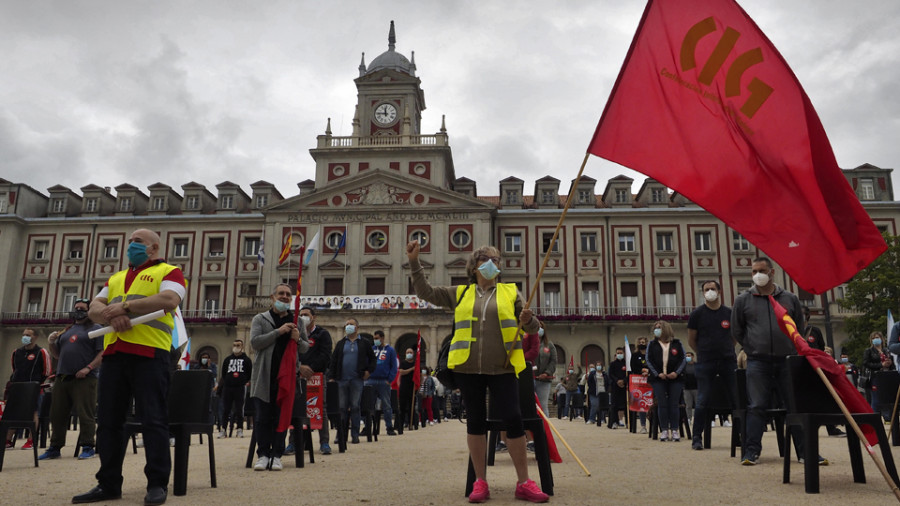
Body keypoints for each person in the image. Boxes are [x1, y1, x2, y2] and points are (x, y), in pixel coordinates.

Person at [407, 240, 549, 503]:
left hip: (504, 366)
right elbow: (425, 291)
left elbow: (532, 328)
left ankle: (524, 482)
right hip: (468, 367)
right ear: (474, 267)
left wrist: (530, 321)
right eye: (486, 258)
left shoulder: (511, 292)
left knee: (514, 419)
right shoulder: (459, 293)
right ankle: (480, 482)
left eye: (496, 259)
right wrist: (415, 262)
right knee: (475, 421)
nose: (492, 262)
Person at [73, 228, 186, 505]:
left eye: (138, 242)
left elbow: (170, 300)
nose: (131, 246)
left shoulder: (170, 271)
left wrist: (123, 308)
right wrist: (112, 314)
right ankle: (108, 483)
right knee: (109, 422)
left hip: (151, 353)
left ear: (154, 248)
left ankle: (157, 484)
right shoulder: (115, 278)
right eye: (130, 242)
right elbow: (94, 309)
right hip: (114, 354)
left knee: (154, 420)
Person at [732, 257, 821, 466]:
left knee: (794, 406)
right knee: (756, 405)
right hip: (757, 361)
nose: (757, 275)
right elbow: (737, 329)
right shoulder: (743, 300)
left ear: (772, 272)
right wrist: (751, 347)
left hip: (787, 361)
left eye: (761, 270)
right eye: (753, 271)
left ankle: (804, 452)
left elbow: (798, 326)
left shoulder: (789, 298)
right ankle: (751, 451)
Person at [248, 284, 309, 471]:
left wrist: (298, 339)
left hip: (287, 377)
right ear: (272, 297)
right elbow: (255, 343)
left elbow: (305, 347)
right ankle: (263, 454)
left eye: (288, 295)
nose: (284, 297)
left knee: (282, 416)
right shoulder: (260, 318)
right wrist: (278, 332)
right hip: (264, 375)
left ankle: (277, 455)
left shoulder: (297, 321)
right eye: (280, 294)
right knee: (262, 417)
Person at [40, 299, 103, 460]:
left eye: (82, 308)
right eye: (76, 308)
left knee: (85, 413)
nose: (78, 311)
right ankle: (55, 447)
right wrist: (51, 343)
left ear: (89, 311)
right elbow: (57, 355)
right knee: (57, 414)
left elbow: (102, 353)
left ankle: (88, 445)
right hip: (62, 377)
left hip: (85, 378)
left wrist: (88, 368)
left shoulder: (96, 329)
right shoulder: (66, 331)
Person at [687, 280, 737, 451]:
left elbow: (734, 336)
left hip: (728, 361)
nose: (709, 292)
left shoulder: (729, 313)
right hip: (705, 362)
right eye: (706, 289)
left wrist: (726, 349)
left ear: (719, 291)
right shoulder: (697, 314)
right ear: (703, 293)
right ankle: (696, 438)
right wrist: (703, 352)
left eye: (712, 289)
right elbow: (692, 340)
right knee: (702, 400)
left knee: (735, 399)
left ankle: (739, 435)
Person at [291, 305, 333, 455]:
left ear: (314, 317)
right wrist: (300, 367)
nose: (303, 317)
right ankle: (293, 443)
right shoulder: (295, 334)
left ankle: (324, 443)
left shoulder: (323, 334)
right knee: (295, 408)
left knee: (321, 408)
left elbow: (326, 355)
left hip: (317, 376)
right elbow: (292, 353)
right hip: (298, 375)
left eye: (306, 314)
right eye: (301, 314)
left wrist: (311, 369)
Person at [327, 317, 376, 444]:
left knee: (355, 407)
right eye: (347, 324)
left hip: (357, 380)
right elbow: (334, 360)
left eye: (351, 324)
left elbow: (373, 359)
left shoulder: (364, 343)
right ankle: (341, 435)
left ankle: (355, 435)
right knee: (342, 408)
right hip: (341, 380)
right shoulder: (341, 343)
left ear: (357, 327)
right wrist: (331, 377)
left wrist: (368, 371)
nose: (348, 326)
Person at [5, 328, 52, 450]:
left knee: (33, 413)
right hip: (18, 387)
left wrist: (37, 383)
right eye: (24, 334)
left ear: (35, 337)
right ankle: (8, 440)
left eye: (28, 335)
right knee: (13, 414)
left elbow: (47, 371)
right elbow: (14, 369)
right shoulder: (16, 352)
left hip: (34, 388)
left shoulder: (41, 352)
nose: (25, 337)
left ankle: (31, 440)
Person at [646, 321, 686, 442]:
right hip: (658, 379)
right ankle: (664, 430)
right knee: (662, 404)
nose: (656, 330)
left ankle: (674, 430)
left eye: (659, 328)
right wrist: (658, 374)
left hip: (675, 378)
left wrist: (676, 373)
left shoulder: (677, 343)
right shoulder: (652, 344)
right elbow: (648, 359)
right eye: (655, 328)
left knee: (674, 404)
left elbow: (683, 359)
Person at [365, 329, 398, 435]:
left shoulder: (390, 350)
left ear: (382, 338)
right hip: (371, 380)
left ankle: (389, 427)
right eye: (374, 338)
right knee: (369, 405)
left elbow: (394, 366)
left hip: (384, 381)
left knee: (387, 405)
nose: (375, 340)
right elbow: (367, 362)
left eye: (377, 338)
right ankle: (367, 427)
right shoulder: (371, 349)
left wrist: (390, 380)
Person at [218, 339, 252, 438]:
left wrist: (244, 380)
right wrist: (228, 381)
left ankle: (240, 429)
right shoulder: (227, 359)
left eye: (238, 345)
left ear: (242, 346)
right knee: (226, 409)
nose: (236, 347)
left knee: (239, 409)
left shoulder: (246, 360)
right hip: (228, 387)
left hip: (240, 387)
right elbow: (224, 373)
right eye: (234, 345)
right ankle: (223, 429)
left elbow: (249, 372)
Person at [862, 330, 895, 421]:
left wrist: (890, 363)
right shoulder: (868, 351)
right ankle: (874, 419)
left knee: (887, 399)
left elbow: (892, 363)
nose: (875, 340)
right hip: (875, 377)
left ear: (881, 339)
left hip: (887, 377)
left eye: (877, 338)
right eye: (873, 338)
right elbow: (866, 363)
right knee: (876, 399)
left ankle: (888, 418)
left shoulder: (886, 350)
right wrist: (881, 365)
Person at [533, 324, 557, 416]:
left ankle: (544, 429)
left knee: (542, 406)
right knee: (528, 405)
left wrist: (547, 373)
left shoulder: (549, 345)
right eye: (537, 326)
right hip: (530, 379)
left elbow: (553, 361)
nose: (539, 329)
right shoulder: (528, 343)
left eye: (541, 327)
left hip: (544, 380)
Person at [630, 337, 650, 432]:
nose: (642, 343)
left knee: (651, 403)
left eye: (644, 342)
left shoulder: (651, 354)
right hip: (639, 381)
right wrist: (641, 370)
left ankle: (654, 425)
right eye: (640, 342)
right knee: (641, 403)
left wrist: (648, 371)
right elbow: (633, 366)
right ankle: (643, 425)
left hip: (650, 379)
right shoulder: (635, 355)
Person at [398, 347, 417, 430]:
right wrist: (411, 369)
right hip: (403, 387)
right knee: (402, 407)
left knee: (411, 407)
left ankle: (411, 423)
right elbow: (401, 372)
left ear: (413, 354)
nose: (409, 354)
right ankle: (401, 424)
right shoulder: (403, 362)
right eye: (407, 352)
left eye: (411, 352)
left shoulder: (416, 363)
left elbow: (419, 375)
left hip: (412, 388)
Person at [608, 347, 627, 428]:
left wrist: (623, 381)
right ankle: (614, 422)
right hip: (615, 386)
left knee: (625, 404)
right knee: (614, 405)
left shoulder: (626, 364)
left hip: (624, 386)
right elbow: (611, 374)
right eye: (618, 353)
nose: (619, 354)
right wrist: (617, 381)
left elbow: (628, 374)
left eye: (621, 353)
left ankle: (626, 421)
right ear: (616, 354)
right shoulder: (612, 364)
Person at [682, 352, 697, 423]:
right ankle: (688, 418)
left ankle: (698, 418)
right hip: (687, 388)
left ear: (692, 357)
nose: (687, 357)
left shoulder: (696, 365)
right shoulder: (684, 366)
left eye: (689, 356)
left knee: (698, 404)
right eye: (686, 356)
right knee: (688, 405)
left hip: (696, 388)